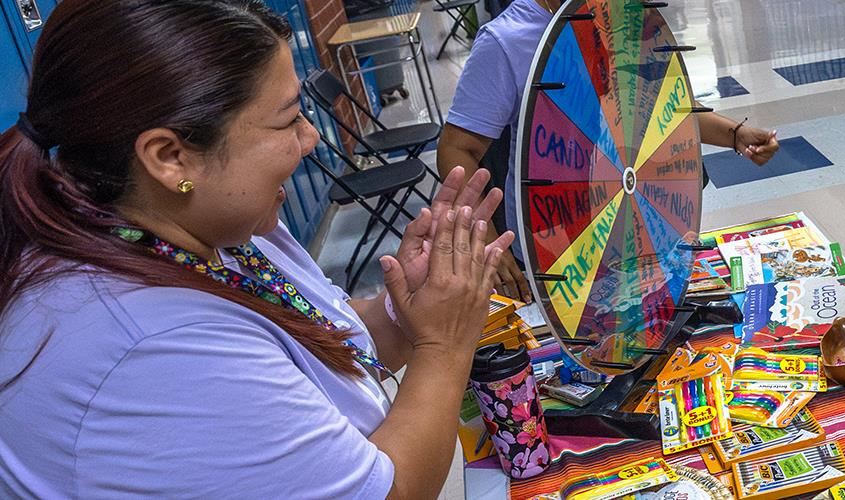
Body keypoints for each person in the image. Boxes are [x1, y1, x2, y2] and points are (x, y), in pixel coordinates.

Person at [0, 1, 514, 497]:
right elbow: (392, 491)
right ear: (170, 156)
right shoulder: (152, 350)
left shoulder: (214, 226)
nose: (312, 136)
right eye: (288, 119)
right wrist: (445, 345)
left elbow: (327, 344)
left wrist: (409, 307)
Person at [439, 0, 781, 302]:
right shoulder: (507, 41)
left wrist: (735, 134)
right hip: (559, 254)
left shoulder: (620, 16)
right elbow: (457, 148)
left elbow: (662, 106)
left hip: (636, 226)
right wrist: (487, 242)